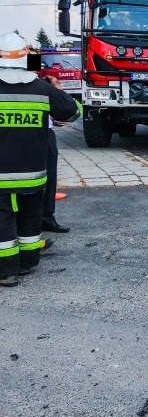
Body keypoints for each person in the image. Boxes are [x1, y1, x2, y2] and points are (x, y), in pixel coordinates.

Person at [0, 32, 80, 287]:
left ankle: (6, 270)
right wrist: (57, 91)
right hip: (33, 172)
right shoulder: (42, 89)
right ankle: (26, 262)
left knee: (3, 219)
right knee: (30, 215)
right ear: (26, 59)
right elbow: (73, 112)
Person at [41, 81, 70, 233]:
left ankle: (46, 218)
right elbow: (69, 108)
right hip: (30, 134)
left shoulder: (37, 81)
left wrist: (50, 120)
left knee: (50, 177)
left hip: (45, 131)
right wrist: (57, 90)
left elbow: (69, 111)